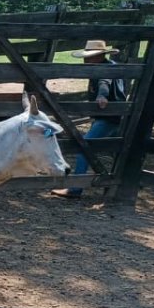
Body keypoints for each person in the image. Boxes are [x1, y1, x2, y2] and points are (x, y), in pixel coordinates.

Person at [52, 39, 127, 199]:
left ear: (98, 56)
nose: (85, 60)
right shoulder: (112, 66)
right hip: (117, 116)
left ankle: (75, 189)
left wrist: (102, 96)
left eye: (88, 57)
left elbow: (104, 83)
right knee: (116, 150)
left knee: (84, 148)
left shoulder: (104, 70)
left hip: (108, 118)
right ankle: (123, 181)